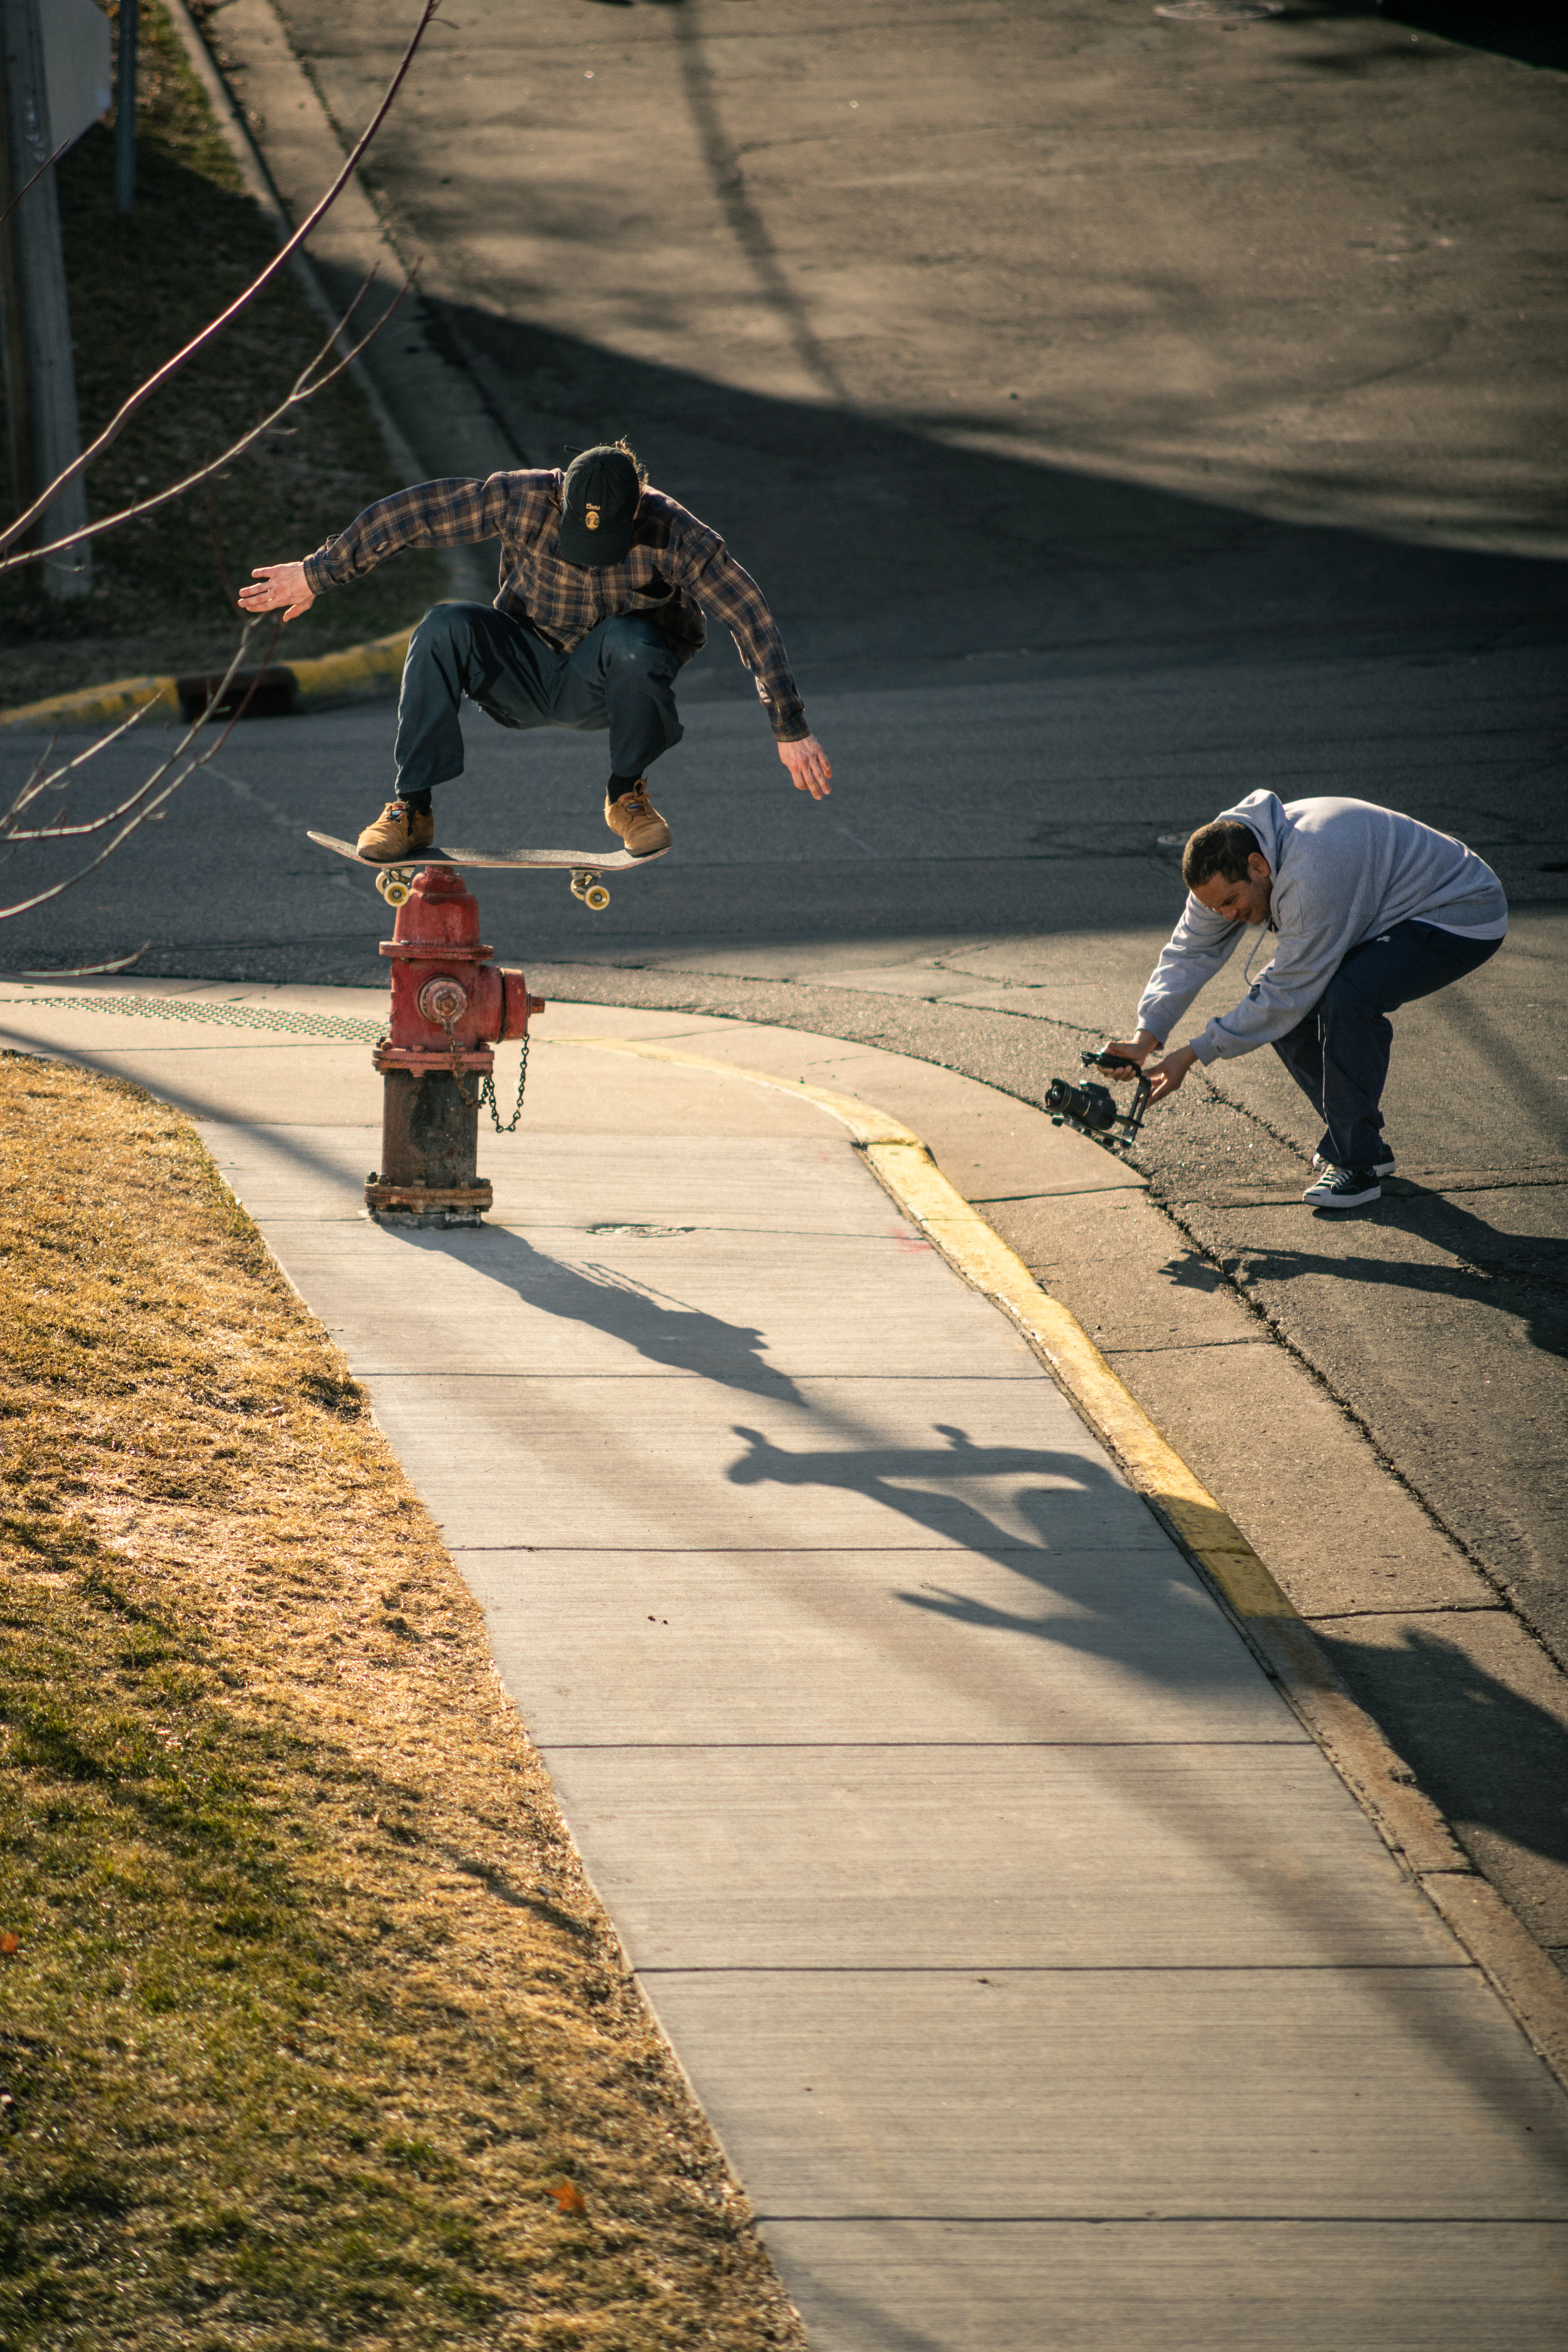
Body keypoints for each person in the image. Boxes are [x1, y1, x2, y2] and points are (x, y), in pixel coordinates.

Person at [237, 439, 833, 862]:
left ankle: (627, 795)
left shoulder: (675, 532)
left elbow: (747, 613)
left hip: (604, 684)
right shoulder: (523, 498)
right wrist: (321, 573)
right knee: (443, 625)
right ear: (564, 499)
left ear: (636, 508)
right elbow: (416, 513)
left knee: (632, 641)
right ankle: (411, 808)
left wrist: (789, 727)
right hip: (519, 668)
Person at [1104, 790, 1508, 1208]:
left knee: (1347, 997)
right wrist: (1145, 1037)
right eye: (1214, 907)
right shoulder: (1222, 866)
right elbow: (1190, 952)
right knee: (1288, 1004)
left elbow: (1288, 995)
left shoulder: (1311, 871)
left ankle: (1356, 1165)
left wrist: (1192, 1054)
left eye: (1230, 903)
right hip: (1386, 909)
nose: (1226, 916)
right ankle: (1359, 1141)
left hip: (1460, 911)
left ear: (1258, 867)